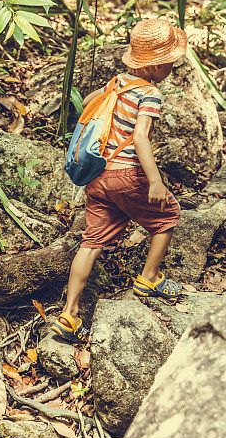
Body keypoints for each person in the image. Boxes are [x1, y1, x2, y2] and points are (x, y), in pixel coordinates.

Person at [53, 18, 187, 344]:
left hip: (97, 178)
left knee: (91, 242)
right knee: (167, 216)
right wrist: (155, 182)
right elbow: (141, 138)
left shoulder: (116, 83)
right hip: (127, 175)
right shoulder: (151, 93)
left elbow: (86, 103)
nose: (172, 67)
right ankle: (149, 278)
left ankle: (69, 314)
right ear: (154, 67)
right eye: (169, 62)